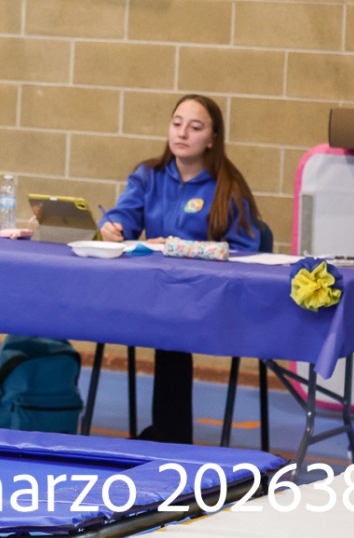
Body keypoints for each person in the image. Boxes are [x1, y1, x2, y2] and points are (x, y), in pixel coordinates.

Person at [98, 94, 262, 444]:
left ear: (212, 139)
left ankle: (169, 437)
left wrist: (181, 247)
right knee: (161, 326)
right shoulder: (148, 176)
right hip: (153, 293)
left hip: (205, 299)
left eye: (195, 127)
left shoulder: (228, 188)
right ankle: (166, 435)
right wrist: (111, 227)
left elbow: (246, 252)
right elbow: (122, 217)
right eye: (176, 124)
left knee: (171, 333)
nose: (182, 133)